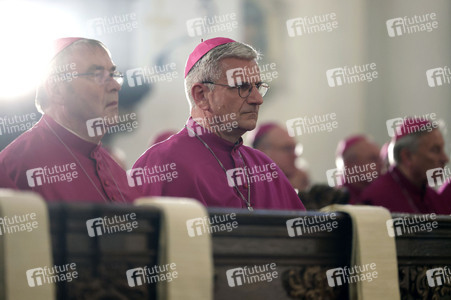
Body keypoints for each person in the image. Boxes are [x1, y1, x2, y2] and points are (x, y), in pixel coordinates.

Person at [132, 37, 305, 211]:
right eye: (242, 87)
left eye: (258, 87)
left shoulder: (265, 167)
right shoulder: (160, 164)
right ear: (201, 95)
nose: (257, 99)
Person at [0, 37, 139, 203]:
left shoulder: (116, 171)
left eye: (113, 74)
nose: (116, 86)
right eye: (98, 75)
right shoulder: (14, 166)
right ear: (57, 89)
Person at [360, 118, 448, 213]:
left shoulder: (432, 196)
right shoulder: (376, 199)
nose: (445, 159)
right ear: (407, 156)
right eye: (435, 150)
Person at [250, 122, 310, 192]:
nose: (295, 156)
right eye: (287, 148)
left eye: (295, 149)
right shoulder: (252, 188)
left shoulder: (300, 178)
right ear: (263, 151)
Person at [334, 135, 382, 204]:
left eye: (380, 158)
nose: (381, 164)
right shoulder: (336, 201)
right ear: (350, 164)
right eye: (373, 159)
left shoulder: (382, 193)